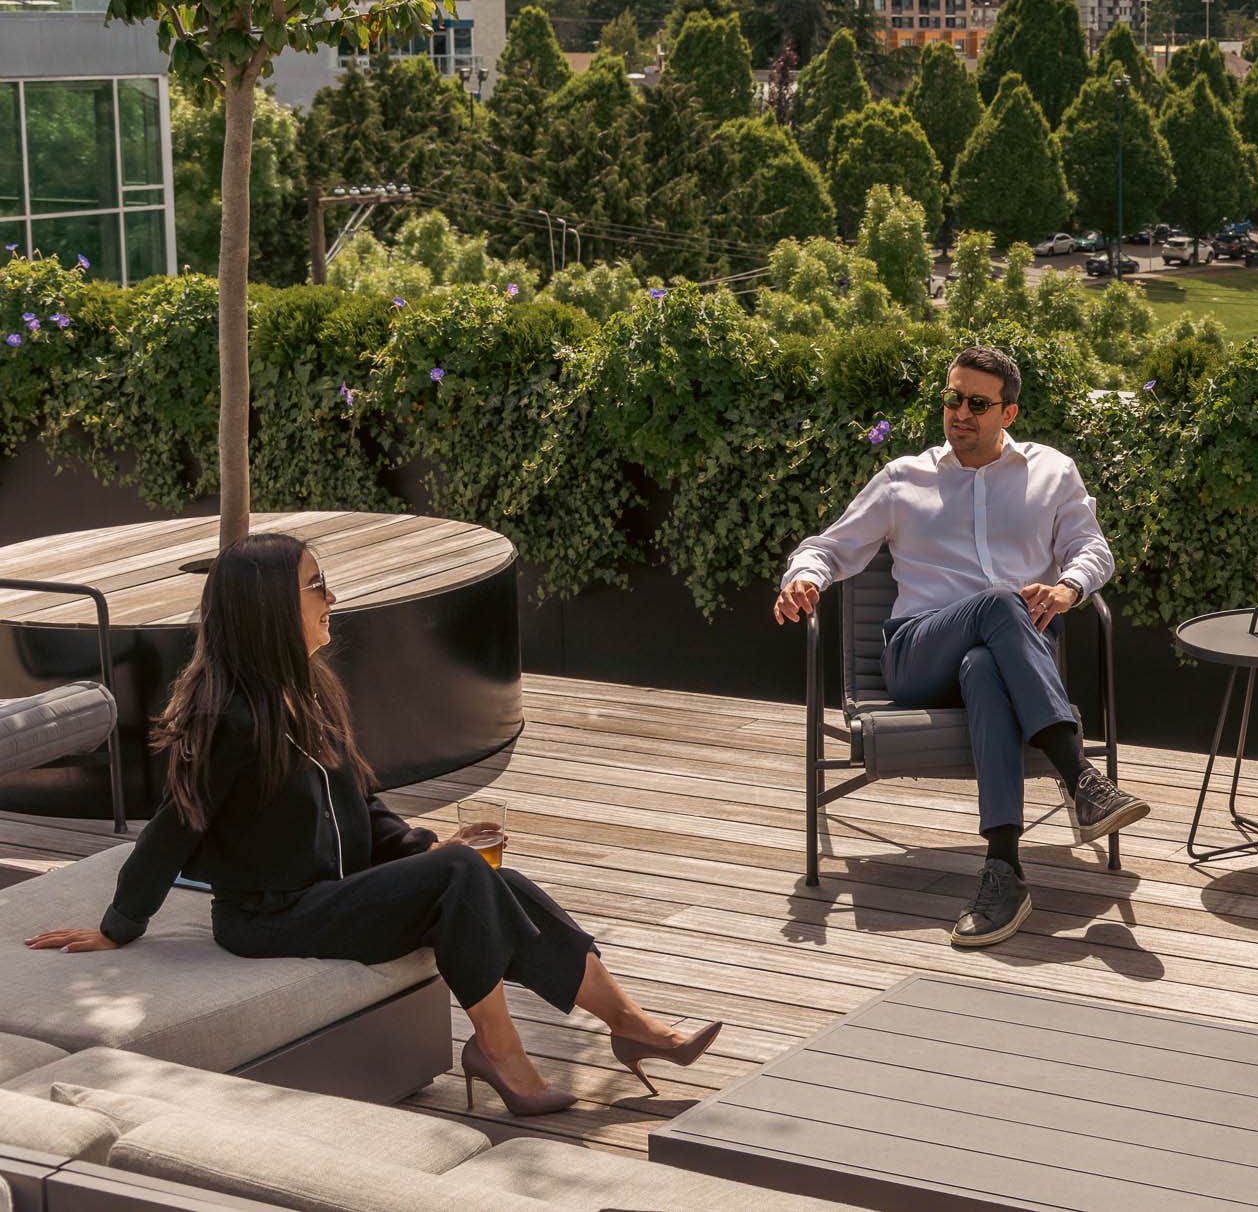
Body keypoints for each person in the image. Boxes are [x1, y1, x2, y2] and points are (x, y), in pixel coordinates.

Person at [26, 534, 715, 1118]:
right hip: (272, 915)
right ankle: (500, 1053)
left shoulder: (308, 691)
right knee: (461, 873)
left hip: (336, 891)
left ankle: (630, 1025)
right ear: (269, 609)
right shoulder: (225, 719)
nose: (332, 598)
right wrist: (119, 923)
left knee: (494, 879)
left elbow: (364, 804)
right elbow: (175, 827)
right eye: (316, 586)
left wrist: (425, 849)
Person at [774, 345, 1147, 949]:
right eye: (953, 398)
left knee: (985, 665)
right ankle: (1080, 776)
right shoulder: (903, 478)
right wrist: (805, 579)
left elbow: (1092, 550)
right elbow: (830, 547)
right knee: (1000, 603)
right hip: (916, 655)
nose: (960, 413)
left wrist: (1068, 587)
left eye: (978, 402)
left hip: (1007, 659)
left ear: (1010, 413)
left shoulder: (1052, 472)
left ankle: (1003, 871)